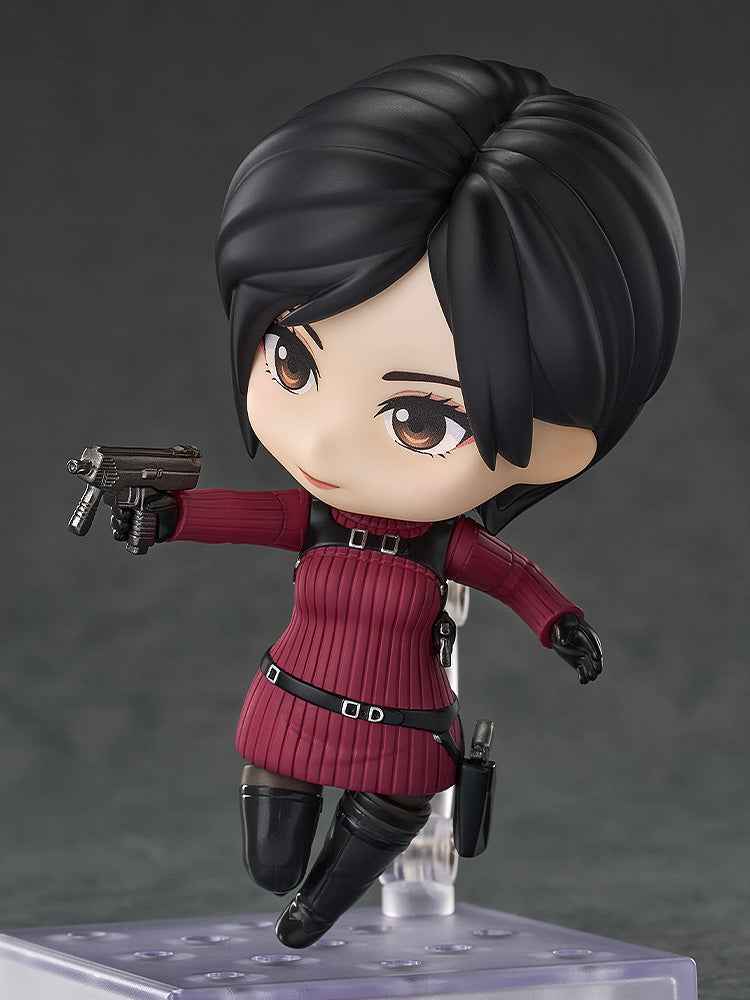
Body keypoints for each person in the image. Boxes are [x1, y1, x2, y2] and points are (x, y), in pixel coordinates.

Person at [112, 55, 684, 947]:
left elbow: (513, 576)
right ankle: (298, 897)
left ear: (562, 440)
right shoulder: (314, 519)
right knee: (270, 863)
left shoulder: (443, 546)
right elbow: (237, 515)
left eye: (420, 419)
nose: (322, 447)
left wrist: (560, 622)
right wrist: (165, 516)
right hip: (292, 703)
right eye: (291, 361)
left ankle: (317, 915)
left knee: (354, 854)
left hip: (402, 730)